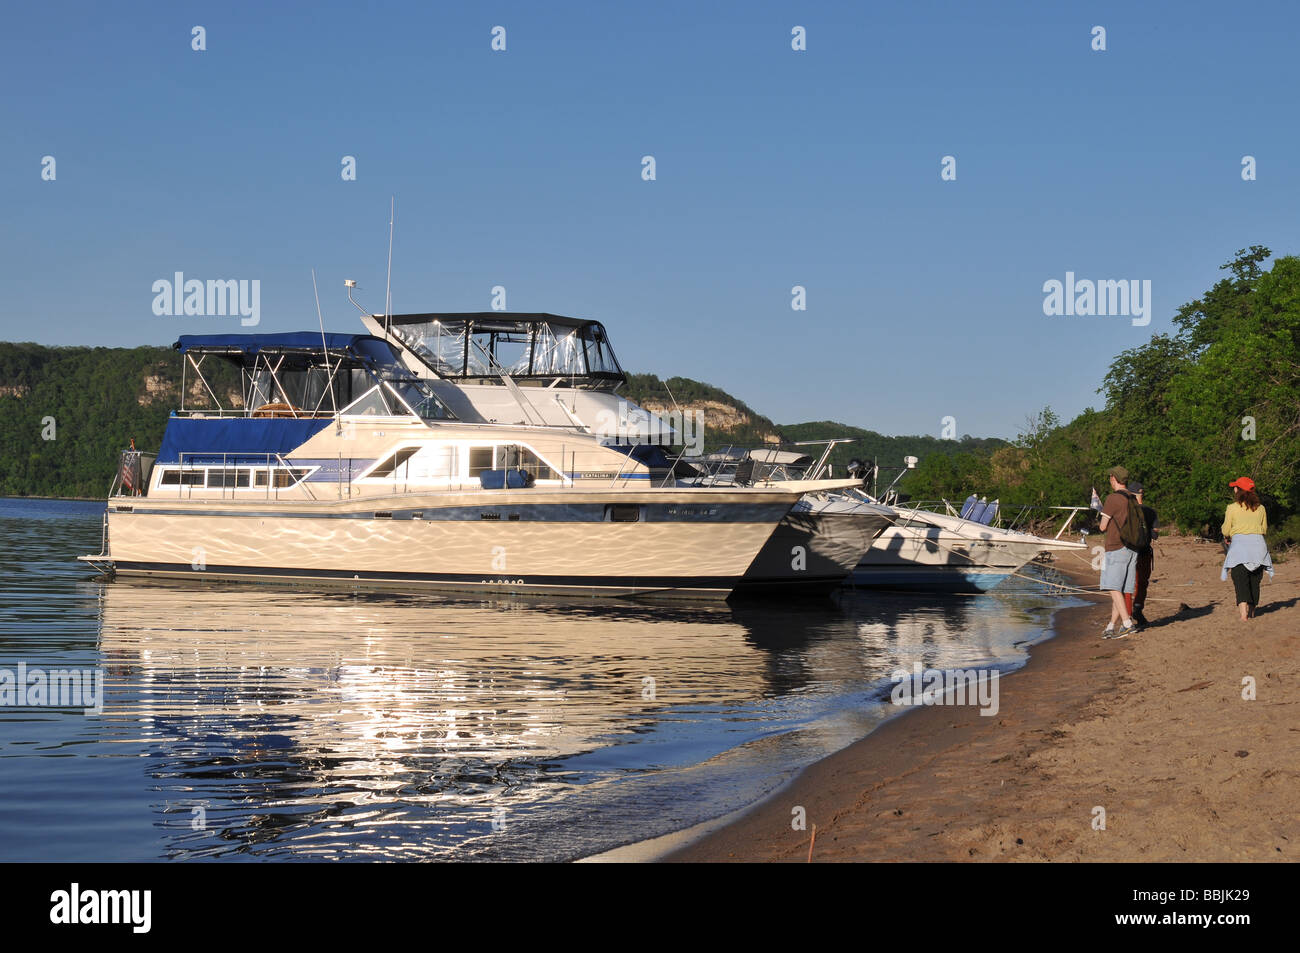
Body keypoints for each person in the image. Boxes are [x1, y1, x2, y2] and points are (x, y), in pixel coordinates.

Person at [1221, 477, 1272, 621]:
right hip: (1258, 547)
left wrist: (1230, 534)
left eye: (1235, 487)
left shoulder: (1232, 508)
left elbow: (1226, 529)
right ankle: (1252, 612)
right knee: (1254, 580)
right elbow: (1264, 529)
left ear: (1238, 490)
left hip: (1240, 548)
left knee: (1240, 578)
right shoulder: (1261, 508)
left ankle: (1243, 615)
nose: (1234, 489)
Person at [1098, 465, 1138, 638]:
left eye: (1110, 477)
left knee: (1113, 587)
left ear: (1113, 478)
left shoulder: (1113, 499)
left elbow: (1102, 527)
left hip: (1117, 547)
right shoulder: (1133, 498)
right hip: (1133, 548)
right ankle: (1111, 626)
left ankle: (1128, 623)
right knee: (1120, 590)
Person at [1127, 482, 1157, 626]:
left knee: (1126, 583)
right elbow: (1155, 535)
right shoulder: (1150, 512)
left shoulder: (1126, 511)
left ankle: (1127, 614)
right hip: (1144, 551)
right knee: (1141, 583)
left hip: (1128, 551)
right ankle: (1138, 608)